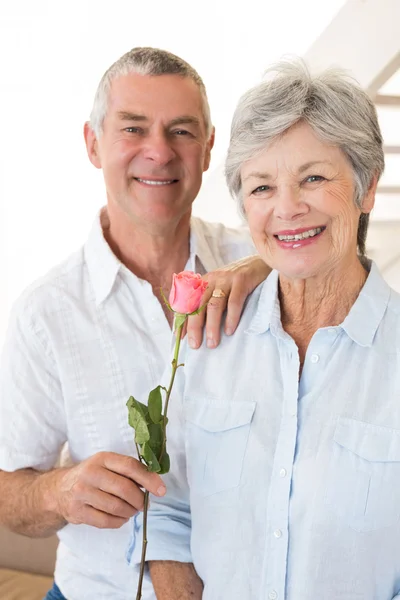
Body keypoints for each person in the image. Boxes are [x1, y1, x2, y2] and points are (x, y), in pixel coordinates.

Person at [0, 47, 271, 600]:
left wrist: (268, 262)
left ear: (210, 145)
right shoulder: (44, 312)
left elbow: (347, 268)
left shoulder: (265, 270)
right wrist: (57, 491)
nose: (159, 152)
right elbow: (8, 491)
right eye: (133, 128)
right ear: (93, 144)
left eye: (181, 131)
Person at [134, 58, 400, 600]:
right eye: (261, 187)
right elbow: (168, 510)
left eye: (314, 178)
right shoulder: (205, 339)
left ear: (367, 187)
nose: (287, 209)